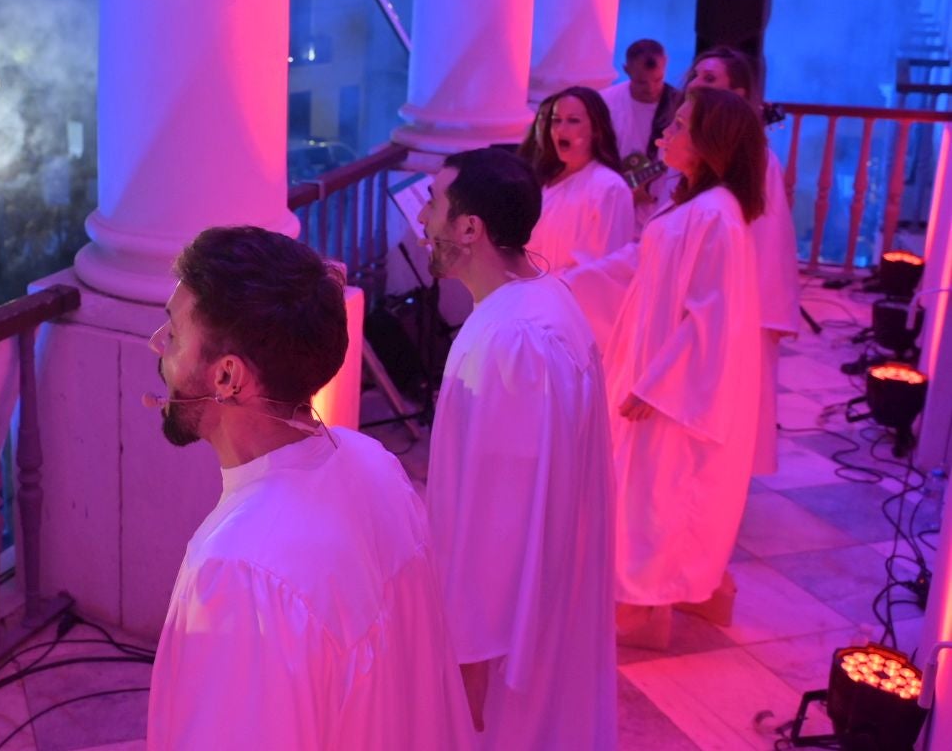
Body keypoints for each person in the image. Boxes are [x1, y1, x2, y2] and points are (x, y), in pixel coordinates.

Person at [145, 226, 473, 749]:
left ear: (227, 377)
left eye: (174, 335)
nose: (158, 348)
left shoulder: (240, 570)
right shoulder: (376, 465)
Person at [417, 149, 616, 747]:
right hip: (543, 608)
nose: (423, 220)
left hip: (508, 643)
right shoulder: (540, 300)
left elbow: (499, 521)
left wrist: (471, 657)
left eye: (433, 204)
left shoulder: (512, 343)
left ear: (469, 228)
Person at [564, 88, 765, 646]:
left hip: (672, 389)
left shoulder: (717, 216)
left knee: (660, 495)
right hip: (645, 365)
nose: (662, 135)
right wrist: (569, 284)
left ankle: (644, 608)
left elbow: (713, 319)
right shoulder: (691, 205)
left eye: (677, 127)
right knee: (636, 488)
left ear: (707, 144)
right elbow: (641, 268)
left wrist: (660, 386)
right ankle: (643, 595)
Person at [685, 45, 801, 475]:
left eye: (709, 79)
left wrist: (763, 314)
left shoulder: (754, 158)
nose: (695, 83)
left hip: (734, 296)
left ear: (737, 92)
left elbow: (768, 238)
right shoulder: (685, 150)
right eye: (695, 74)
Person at [520, 88, 635, 272]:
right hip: (533, 293)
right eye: (556, 120)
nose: (561, 129)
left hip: (572, 298)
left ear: (596, 129)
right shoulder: (545, 180)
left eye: (573, 121)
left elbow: (610, 269)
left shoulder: (610, 188)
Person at [599, 39, 683, 163]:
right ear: (626, 70)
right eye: (641, 82)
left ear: (665, 63)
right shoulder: (604, 101)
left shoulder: (680, 105)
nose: (651, 89)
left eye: (657, 79)